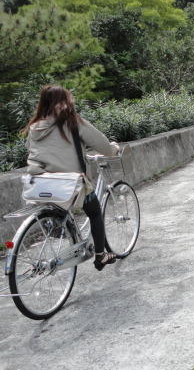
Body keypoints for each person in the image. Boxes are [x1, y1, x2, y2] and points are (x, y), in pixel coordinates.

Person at [22, 85, 121, 271]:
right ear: (66, 100)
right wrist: (114, 149)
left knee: (59, 210)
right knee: (94, 212)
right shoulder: (73, 122)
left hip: (40, 184)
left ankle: (59, 228)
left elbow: (38, 152)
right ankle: (101, 256)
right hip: (69, 184)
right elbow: (103, 145)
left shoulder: (35, 126)